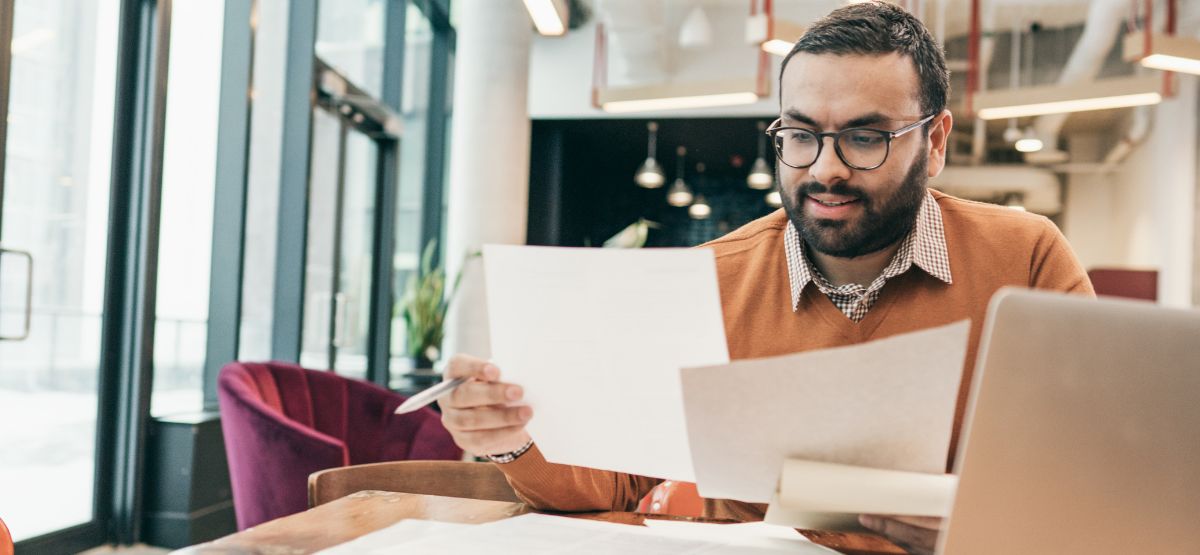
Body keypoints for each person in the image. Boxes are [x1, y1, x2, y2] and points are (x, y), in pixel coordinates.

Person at [437, 2, 1093, 554]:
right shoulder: (712, 279)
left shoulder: (1027, 261)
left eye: (866, 138)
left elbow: (1094, 474)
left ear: (937, 140)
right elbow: (613, 483)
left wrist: (990, 526)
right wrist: (511, 436)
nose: (825, 170)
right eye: (801, 135)